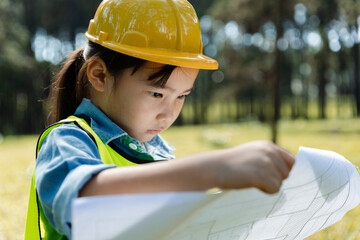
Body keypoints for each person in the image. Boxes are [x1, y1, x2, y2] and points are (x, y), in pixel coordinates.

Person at [25, 0, 295, 239]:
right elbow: (84, 202)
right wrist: (213, 169)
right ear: (100, 76)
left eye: (181, 96)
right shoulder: (66, 141)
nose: (169, 114)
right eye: (157, 93)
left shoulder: (155, 153)